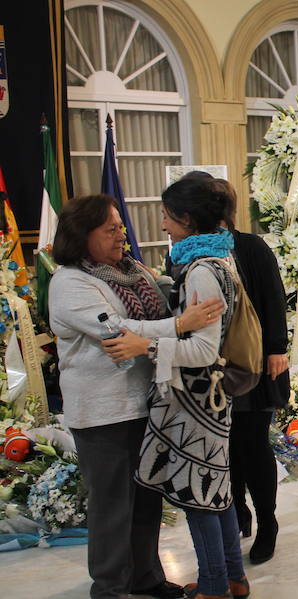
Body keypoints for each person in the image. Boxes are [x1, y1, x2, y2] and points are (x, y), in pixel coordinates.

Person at [49, 194, 223, 599]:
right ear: (82, 234)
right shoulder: (70, 281)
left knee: (146, 503)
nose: (120, 235)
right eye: (110, 229)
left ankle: (146, 579)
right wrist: (181, 325)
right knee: (112, 508)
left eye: (120, 228)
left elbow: (144, 325)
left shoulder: (131, 271)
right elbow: (116, 330)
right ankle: (110, 589)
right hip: (103, 413)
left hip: (146, 402)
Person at [104, 177, 252, 597]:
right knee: (215, 489)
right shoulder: (218, 257)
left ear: (187, 219)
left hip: (197, 399)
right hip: (209, 396)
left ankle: (213, 587)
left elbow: (203, 350)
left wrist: (145, 345)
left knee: (196, 494)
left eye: (167, 217)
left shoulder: (203, 270)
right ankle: (232, 577)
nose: (164, 226)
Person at [213, 178, 289, 565]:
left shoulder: (251, 247)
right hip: (213, 368)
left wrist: (277, 348)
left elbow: (274, 298)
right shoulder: (190, 251)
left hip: (256, 363)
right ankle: (236, 508)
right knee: (226, 447)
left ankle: (267, 520)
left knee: (252, 444)